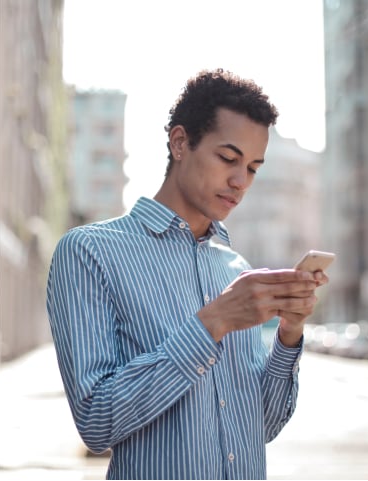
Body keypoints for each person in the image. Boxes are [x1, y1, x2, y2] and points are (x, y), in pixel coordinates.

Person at [47, 68, 329, 480]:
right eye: (228, 158)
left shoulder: (235, 267)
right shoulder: (90, 252)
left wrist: (289, 333)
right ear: (180, 143)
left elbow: (261, 426)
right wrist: (213, 322)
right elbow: (96, 421)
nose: (240, 181)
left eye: (252, 168)